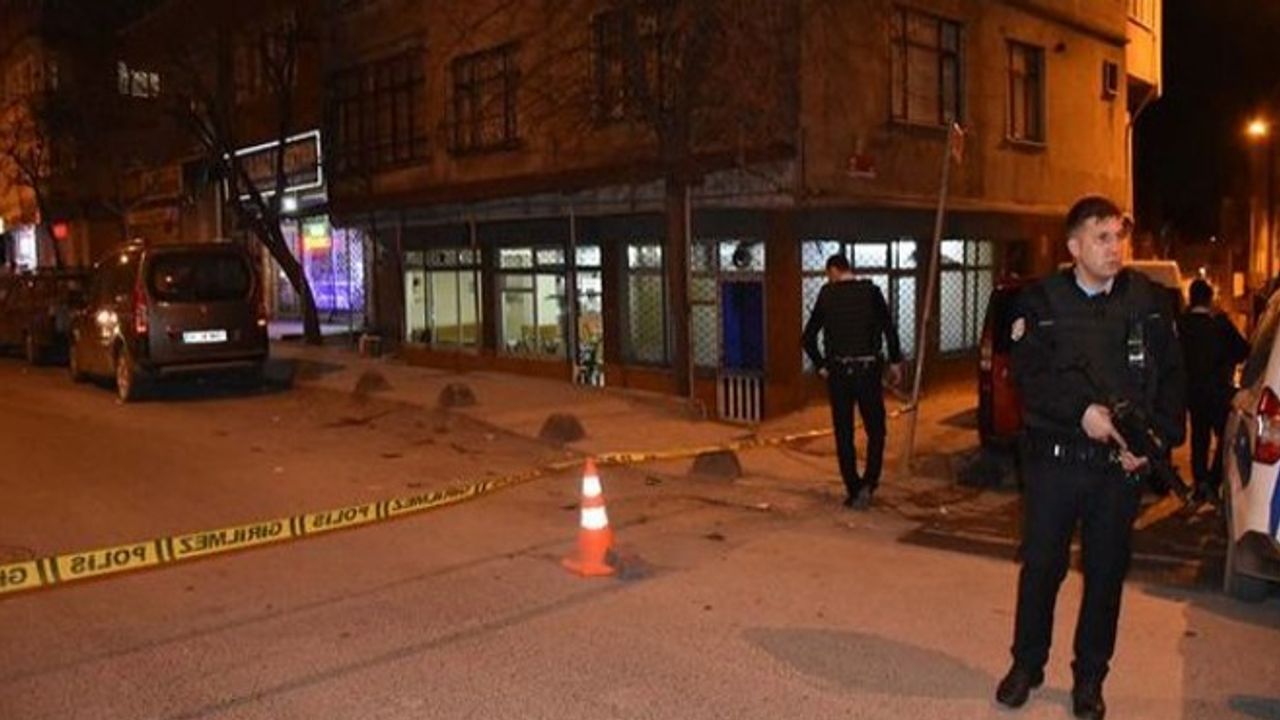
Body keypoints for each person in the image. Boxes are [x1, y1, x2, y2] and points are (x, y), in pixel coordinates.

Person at [996, 196, 1185, 719]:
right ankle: (1026, 665)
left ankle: (1090, 679)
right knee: (1041, 568)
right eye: (1102, 238)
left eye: (1119, 236)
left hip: (1116, 472)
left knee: (1105, 576)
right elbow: (1028, 376)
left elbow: (1173, 378)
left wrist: (1154, 445)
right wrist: (1081, 413)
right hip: (1055, 462)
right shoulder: (1040, 302)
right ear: (1075, 247)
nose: (1115, 247)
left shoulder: (1148, 301)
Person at [802, 253, 904, 510]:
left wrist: (821, 366)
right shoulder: (872, 292)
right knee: (876, 430)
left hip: (838, 372)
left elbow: (808, 337)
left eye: (829, 275)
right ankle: (869, 482)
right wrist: (895, 362)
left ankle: (853, 487)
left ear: (833, 271)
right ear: (849, 268)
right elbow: (889, 329)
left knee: (844, 432)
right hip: (868, 371)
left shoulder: (827, 295)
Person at [1178, 279, 1249, 503]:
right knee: (1225, 436)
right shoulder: (1219, 325)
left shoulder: (1181, 326)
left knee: (1199, 438)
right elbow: (1243, 350)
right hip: (1218, 391)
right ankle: (1213, 479)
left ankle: (1201, 482)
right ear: (1209, 299)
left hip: (1193, 392)